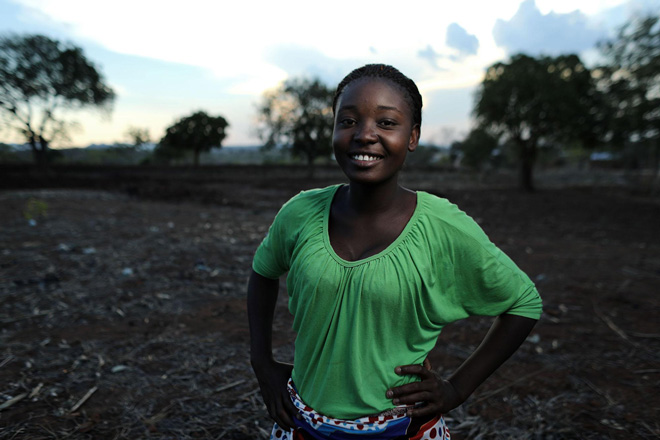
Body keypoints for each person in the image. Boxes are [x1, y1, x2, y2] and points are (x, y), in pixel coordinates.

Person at [248, 64, 542, 439]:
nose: (365, 135)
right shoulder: (300, 213)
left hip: (401, 429)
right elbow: (263, 271)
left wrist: (457, 388)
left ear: (412, 136)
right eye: (348, 121)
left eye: (386, 123)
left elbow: (524, 303)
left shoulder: (443, 228)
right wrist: (261, 361)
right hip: (302, 424)